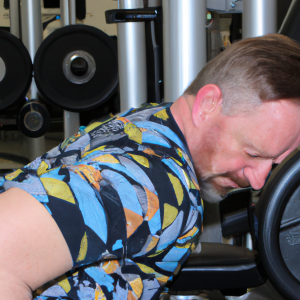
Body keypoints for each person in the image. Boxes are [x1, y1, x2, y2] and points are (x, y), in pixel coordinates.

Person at [1, 33, 300, 300]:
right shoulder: (157, 181)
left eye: (274, 162)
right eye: (252, 153)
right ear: (208, 104)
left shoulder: (147, 120)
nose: (260, 180)